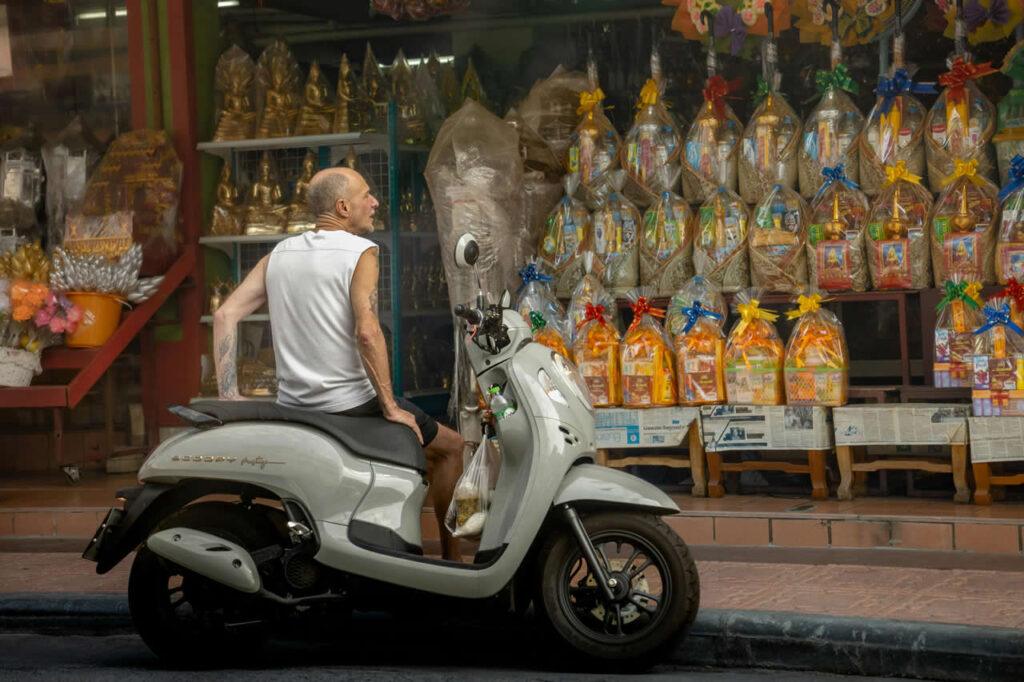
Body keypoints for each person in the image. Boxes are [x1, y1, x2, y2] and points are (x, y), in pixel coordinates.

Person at [212, 166, 465, 560]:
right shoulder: (360, 252)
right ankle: (454, 562)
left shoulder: (279, 254)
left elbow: (225, 315)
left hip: (296, 405)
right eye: (367, 195)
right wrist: (390, 406)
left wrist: (229, 394)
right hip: (349, 404)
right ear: (344, 206)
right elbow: (368, 333)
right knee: (452, 446)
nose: (375, 202)